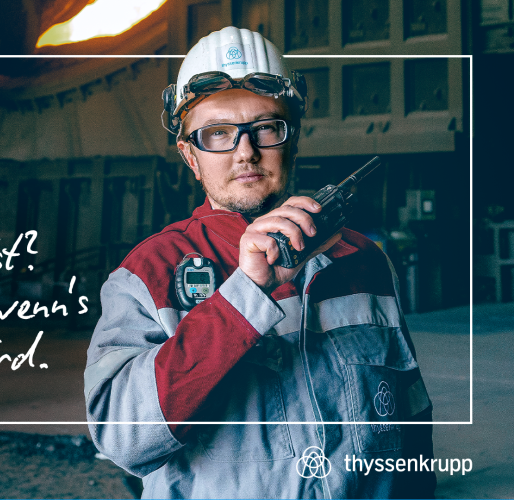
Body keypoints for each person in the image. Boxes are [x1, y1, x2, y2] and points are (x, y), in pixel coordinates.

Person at [84, 27, 435, 498]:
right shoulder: (150, 273)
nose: (245, 152)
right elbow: (124, 438)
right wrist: (244, 296)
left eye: (266, 127)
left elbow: (412, 424)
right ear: (190, 156)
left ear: (293, 139)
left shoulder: (364, 261)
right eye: (218, 134)